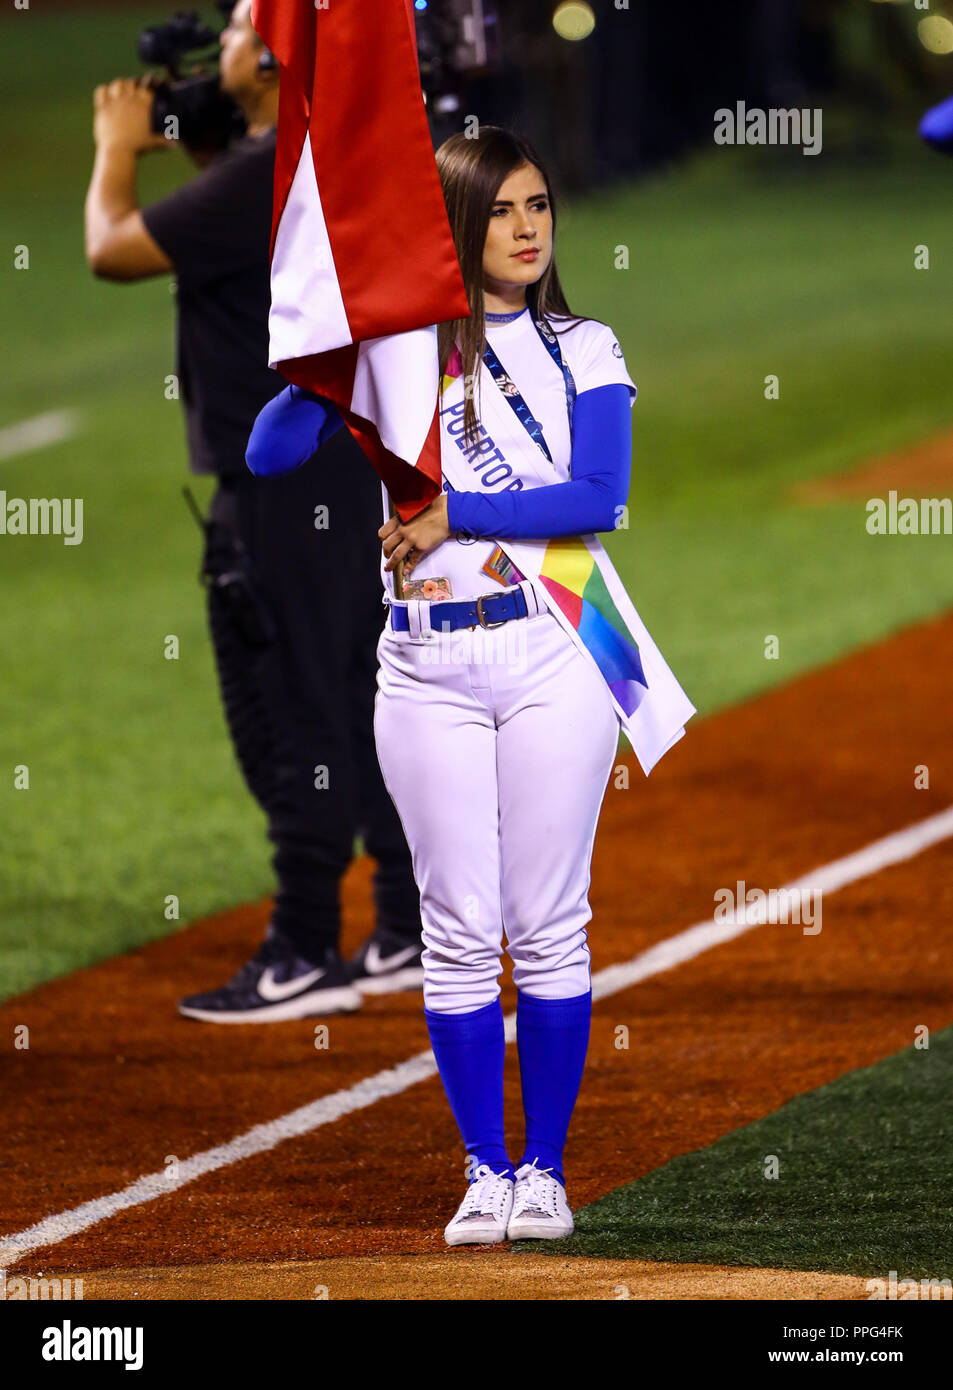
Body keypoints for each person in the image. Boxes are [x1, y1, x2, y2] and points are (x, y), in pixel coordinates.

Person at [247, 127, 693, 1241]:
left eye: (539, 204)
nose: (529, 226)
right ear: (455, 225)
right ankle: (482, 1171)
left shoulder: (585, 345)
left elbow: (598, 496)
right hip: (424, 662)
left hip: (553, 646)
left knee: (545, 918)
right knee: (454, 924)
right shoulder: (396, 357)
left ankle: (544, 1170)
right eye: (501, 210)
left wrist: (461, 510)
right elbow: (267, 451)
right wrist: (341, 333)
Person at [83, 0, 424, 1022]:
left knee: (293, 709)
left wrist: (114, 150)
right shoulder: (304, 165)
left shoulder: (260, 173)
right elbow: (241, 236)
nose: (223, 41)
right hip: (337, 466)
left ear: (276, 61)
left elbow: (114, 250)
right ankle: (404, 924)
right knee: (350, 701)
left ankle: (302, 946)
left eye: (239, 29)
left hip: (282, 483)